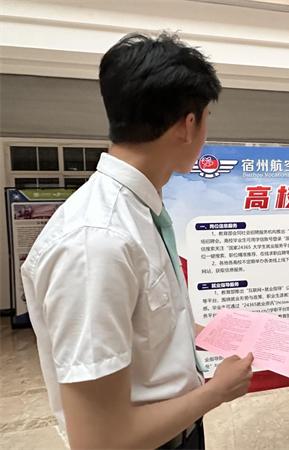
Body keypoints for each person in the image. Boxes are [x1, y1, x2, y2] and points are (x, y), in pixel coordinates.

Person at [21, 32, 253, 450]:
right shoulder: (96, 243)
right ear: (188, 125)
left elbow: (144, 322)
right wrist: (217, 391)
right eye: (206, 117)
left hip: (179, 428)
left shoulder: (139, 211)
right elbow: (100, 440)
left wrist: (206, 332)